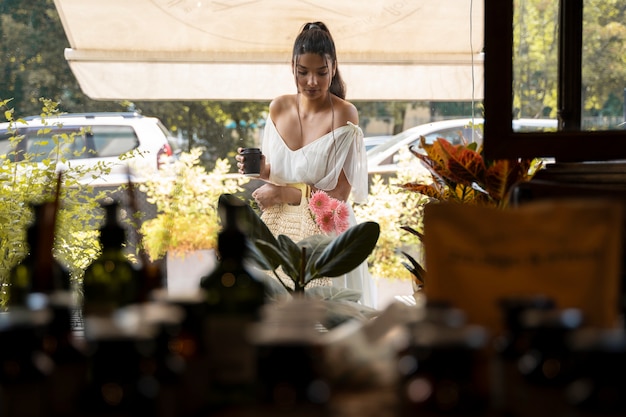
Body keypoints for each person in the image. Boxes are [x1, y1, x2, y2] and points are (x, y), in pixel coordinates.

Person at [236, 21, 376, 308]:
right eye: (303, 72)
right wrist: (261, 169)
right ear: (292, 68)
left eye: (321, 72)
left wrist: (284, 194)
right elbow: (280, 171)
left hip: (326, 235)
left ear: (333, 68)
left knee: (328, 323)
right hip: (280, 228)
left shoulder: (344, 114)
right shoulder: (278, 107)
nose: (312, 81)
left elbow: (339, 197)